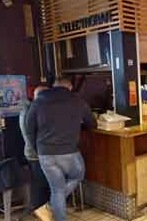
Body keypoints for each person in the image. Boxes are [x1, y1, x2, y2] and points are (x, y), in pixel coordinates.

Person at [26, 77, 97, 221]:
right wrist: (77, 124)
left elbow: (29, 128)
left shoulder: (38, 102)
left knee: (57, 190)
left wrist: (38, 149)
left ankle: (53, 206)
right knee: (78, 175)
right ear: (69, 87)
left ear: (53, 86)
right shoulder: (77, 100)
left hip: (45, 153)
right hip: (69, 151)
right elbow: (92, 124)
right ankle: (51, 205)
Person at [20, 85, 52, 221]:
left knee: (41, 183)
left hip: (35, 152)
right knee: (41, 184)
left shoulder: (29, 108)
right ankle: (38, 211)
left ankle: (40, 210)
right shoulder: (32, 110)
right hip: (36, 154)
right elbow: (31, 134)